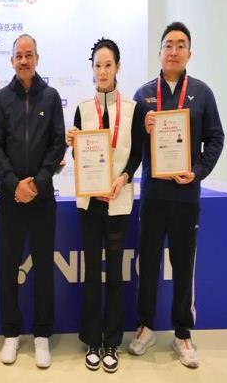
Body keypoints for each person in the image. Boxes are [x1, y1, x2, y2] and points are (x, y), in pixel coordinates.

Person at [129, 22, 224, 368]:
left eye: (180, 45)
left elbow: (216, 138)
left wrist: (197, 171)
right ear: (159, 52)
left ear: (189, 53)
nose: (174, 51)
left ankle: (183, 333)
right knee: (148, 264)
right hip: (153, 196)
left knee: (184, 266)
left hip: (186, 197)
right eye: (168, 44)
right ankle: (145, 327)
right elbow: (131, 146)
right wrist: (143, 129)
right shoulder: (143, 95)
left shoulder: (202, 93)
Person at [0, 34, 65, 368]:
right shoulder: (1, 99)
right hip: (10, 198)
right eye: (18, 56)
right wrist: (13, 184)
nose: (24, 60)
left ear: (37, 58)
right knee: (9, 267)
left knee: (44, 268)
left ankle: (42, 335)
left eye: (29, 55)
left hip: (42, 197)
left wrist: (37, 182)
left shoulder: (51, 96)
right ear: (11, 60)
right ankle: (11, 333)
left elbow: (58, 144)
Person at [66, 38, 142, 373]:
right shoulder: (82, 109)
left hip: (118, 199)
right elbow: (80, 156)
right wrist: (72, 145)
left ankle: (112, 341)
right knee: (91, 276)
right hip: (90, 203)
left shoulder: (133, 109)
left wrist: (123, 178)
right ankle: (92, 341)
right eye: (97, 65)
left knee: (114, 274)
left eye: (108, 65)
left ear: (118, 67)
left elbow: (137, 153)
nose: (102, 71)